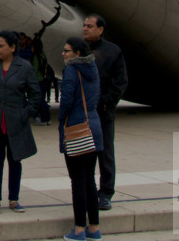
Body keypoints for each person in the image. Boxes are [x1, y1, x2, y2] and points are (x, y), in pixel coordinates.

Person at [0, 30, 40, 215]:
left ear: (12, 47)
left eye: (1, 46)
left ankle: (14, 198)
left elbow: (35, 94)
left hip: (15, 123)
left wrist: (25, 113)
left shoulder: (24, 67)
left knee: (15, 161)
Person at [58, 37, 103, 241]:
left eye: (67, 51)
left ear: (77, 53)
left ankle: (78, 230)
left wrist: (61, 119)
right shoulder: (92, 69)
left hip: (77, 128)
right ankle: (94, 228)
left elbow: (66, 99)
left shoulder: (71, 70)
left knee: (77, 181)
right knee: (90, 180)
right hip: (94, 126)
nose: (63, 54)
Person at [82, 14, 127, 210]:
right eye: (84, 25)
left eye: (90, 26)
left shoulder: (112, 51)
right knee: (84, 153)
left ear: (100, 30)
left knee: (105, 153)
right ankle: (87, 190)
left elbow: (120, 81)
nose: (85, 29)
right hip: (82, 114)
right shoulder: (79, 51)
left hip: (103, 112)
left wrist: (107, 102)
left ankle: (106, 193)